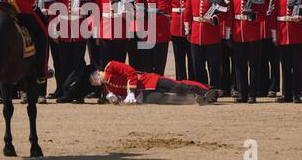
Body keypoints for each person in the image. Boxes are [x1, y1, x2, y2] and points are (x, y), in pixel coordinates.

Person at [57, 61, 220, 105]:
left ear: (96, 72)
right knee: (172, 100)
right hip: (145, 96)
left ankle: (206, 90)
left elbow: (130, 73)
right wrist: (114, 100)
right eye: (93, 82)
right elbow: (117, 98)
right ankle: (196, 100)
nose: (95, 81)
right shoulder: (106, 89)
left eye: (94, 78)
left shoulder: (111, 66)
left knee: (177, 86)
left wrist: (130, 92)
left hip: (149, 81)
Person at [53, 0, 93, 98]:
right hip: (64, 32)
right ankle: (64, 91)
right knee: (64, 64)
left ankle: (77, 93)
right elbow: (54, 13)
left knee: (78, 65)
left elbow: (91, 13)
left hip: (80, 33)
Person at [227, 0, 265, 104]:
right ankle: (242, 93)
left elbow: (263, 14)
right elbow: (230, 15)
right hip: (238, 34)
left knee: (254, 66)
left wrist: (254, 16)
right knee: (239, 66)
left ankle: (252, 94)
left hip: (253, 35)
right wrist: (229, 34)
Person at [184, 0, 224, 90]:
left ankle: (213, 88)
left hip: (212, 34)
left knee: (214, 65)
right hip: (196, 33)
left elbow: (225, 12)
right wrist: (187, 31)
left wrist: (214, 19)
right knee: (198, 65)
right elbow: (188, 13)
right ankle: (202, 89)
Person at [272, 0, 302, 103]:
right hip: (283, 36)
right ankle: (287, 94)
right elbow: (273, 16)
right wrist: (274, 36)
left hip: (298, 35)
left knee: (298, 67)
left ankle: (297, 94)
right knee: (285, 67)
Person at [215, 0, 243, 97]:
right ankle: (224, 86)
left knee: (237, 61)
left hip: (235, 28)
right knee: (223, 60)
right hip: (220, 28)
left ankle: (235, 86)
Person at [259, 0, 281, 98]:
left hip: (274, 29)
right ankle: (262, 86)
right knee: (261, 60)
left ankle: (274, 87)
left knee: (274, 61)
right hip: (261, 29)